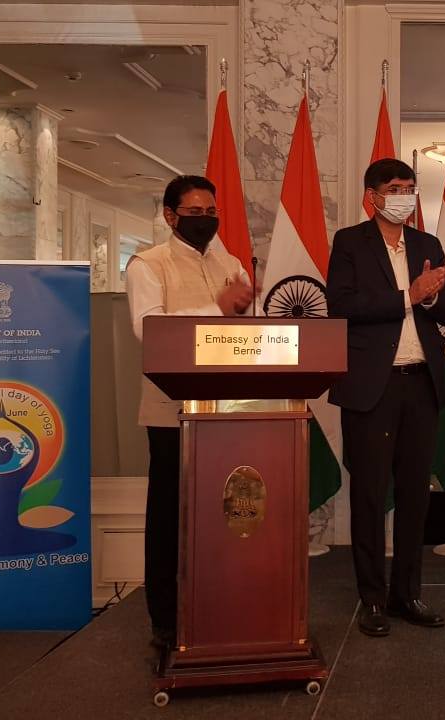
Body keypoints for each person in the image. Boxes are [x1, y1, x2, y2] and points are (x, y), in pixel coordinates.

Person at [327, 158, 445, 637]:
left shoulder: (427, 244)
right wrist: (409, 295)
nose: (404, 196)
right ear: (373, 196)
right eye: (395, 188)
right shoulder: (350, 242)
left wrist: (432, 297)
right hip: (371, 386)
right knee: (368, 493)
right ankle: (372, 598)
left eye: (410, 187)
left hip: (420, 383)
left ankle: (408, 593)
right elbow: (341, 305)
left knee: (414, 495)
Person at [126, 175, 254, 649]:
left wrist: (242, 310)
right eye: (195, 213)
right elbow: (150, 329)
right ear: (170, 215)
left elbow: (242, 328)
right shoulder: (148, 264)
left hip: (225, 409)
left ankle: (217, 606)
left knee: (222, 514)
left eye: (211, 213)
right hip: (171, 412)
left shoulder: (230, 262)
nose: (205, 220)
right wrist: (216, 308)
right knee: (169, 518)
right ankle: (166, 619)